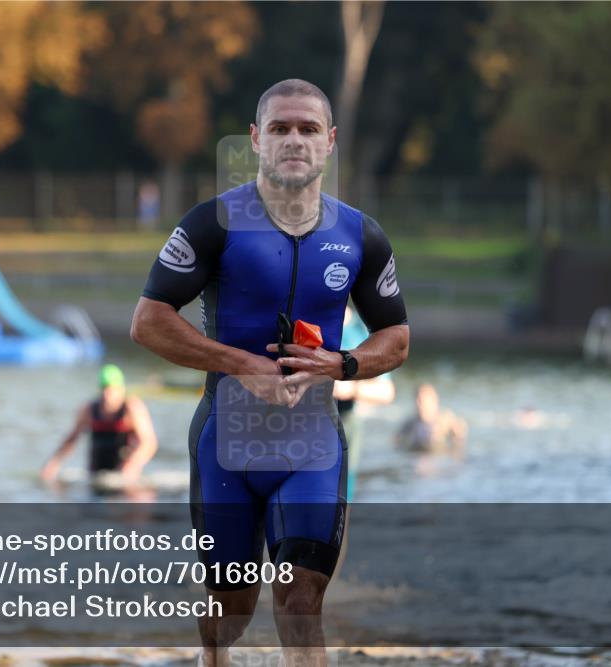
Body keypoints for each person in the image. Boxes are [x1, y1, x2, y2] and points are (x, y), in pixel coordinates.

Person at [130, 79, 409, 667]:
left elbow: (398, 337)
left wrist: (344, 364)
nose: (294, 140)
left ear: (330, 142)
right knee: (232, 607)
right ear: (256, 139)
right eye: (280, 128)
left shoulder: (360, 235)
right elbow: (148, 322)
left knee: (301, 597)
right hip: (226, 443)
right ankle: (213, 655)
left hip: (312, 444)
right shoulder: (213, 224)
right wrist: (241, 365)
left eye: (308, 129)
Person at [40, 364, 158, 484]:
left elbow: (148, 443)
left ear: (121, 389)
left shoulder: (132, 408)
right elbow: (72, 439)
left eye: (111, 389)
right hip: (96, 475)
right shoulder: (90, 409)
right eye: (104, 388)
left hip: (123, 476)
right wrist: (53, 463)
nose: (107, 395)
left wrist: (132, 465)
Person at [333, 306, 396, 498]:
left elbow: (386, 391)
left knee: (340, 498)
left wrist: (350, 389)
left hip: (344, 422)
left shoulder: (359, 332)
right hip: (299, 420)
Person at [394, 383, 467, 456]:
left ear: (434, 402)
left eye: (422, 401)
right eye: (417, 400)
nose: (419, 404)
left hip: (438, 454)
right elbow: (397, 440)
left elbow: (459, 436)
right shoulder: (411, 422)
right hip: (416, 452)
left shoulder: (446, 419)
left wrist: (458, 435)